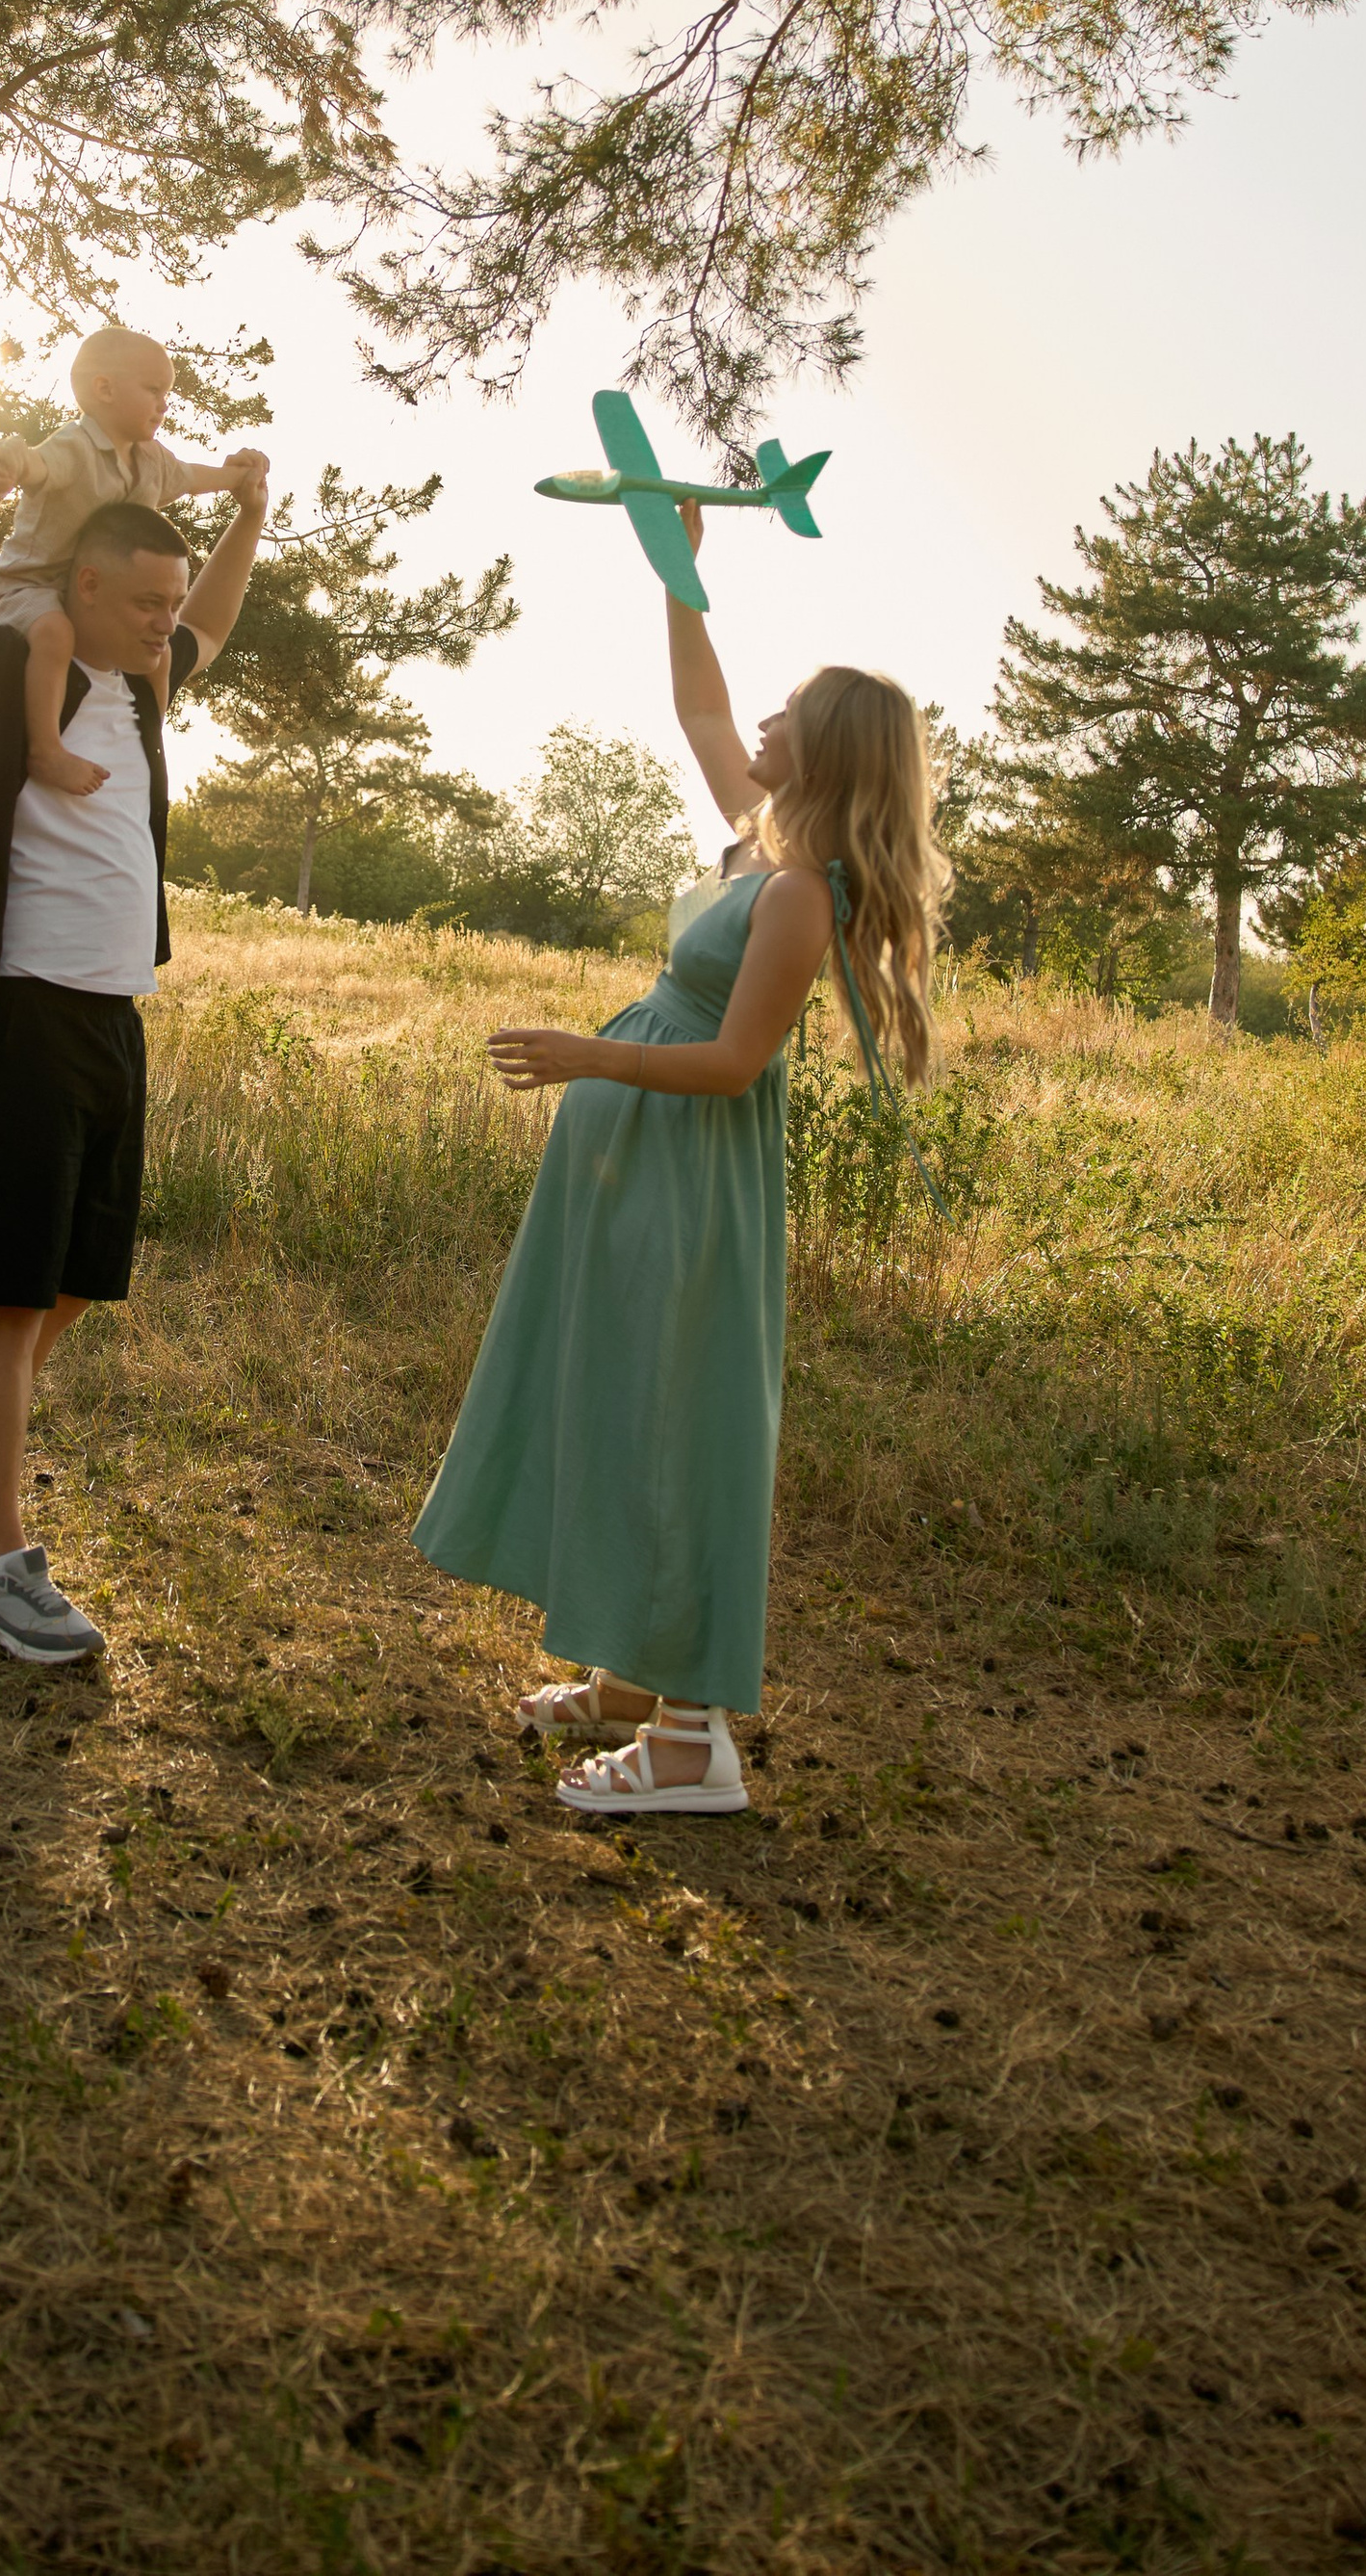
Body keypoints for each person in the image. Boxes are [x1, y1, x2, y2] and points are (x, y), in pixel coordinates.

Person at [414, 507, 945, 1812]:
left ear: (825, 749)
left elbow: (735, 1064)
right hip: (634, 1165)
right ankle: (629, 1680)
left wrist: (584, 1057)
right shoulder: (754, 841)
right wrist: (676, 567)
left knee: (675, 1414)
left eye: (785, 715)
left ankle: (694, 1745)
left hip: (689, 1173)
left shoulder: (802, 892)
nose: (756, 724)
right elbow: (697, 705)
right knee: (616, 1390)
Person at [0, 430, 270, 1665]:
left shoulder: (141, 682)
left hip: (109, 1017)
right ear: (80, 586)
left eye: (169, 606)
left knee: (72, 1282)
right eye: (143, 602)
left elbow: (221, 619)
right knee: (10, 1295)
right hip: (18, 1012)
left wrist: (248, 515)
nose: (162, 625)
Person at [0, 326, 257, 802]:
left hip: (94, 595)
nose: (163, 404)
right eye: (153, 390)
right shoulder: (75, 447)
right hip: (31, 587)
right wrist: (11, 464)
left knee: (163, 655)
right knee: (53, 633)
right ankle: (45, 748)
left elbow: (190, 477)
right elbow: (38, 468)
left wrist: (240, 478)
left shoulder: (150, 461)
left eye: (166, 393)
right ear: (104, 389)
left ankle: (144, 735)